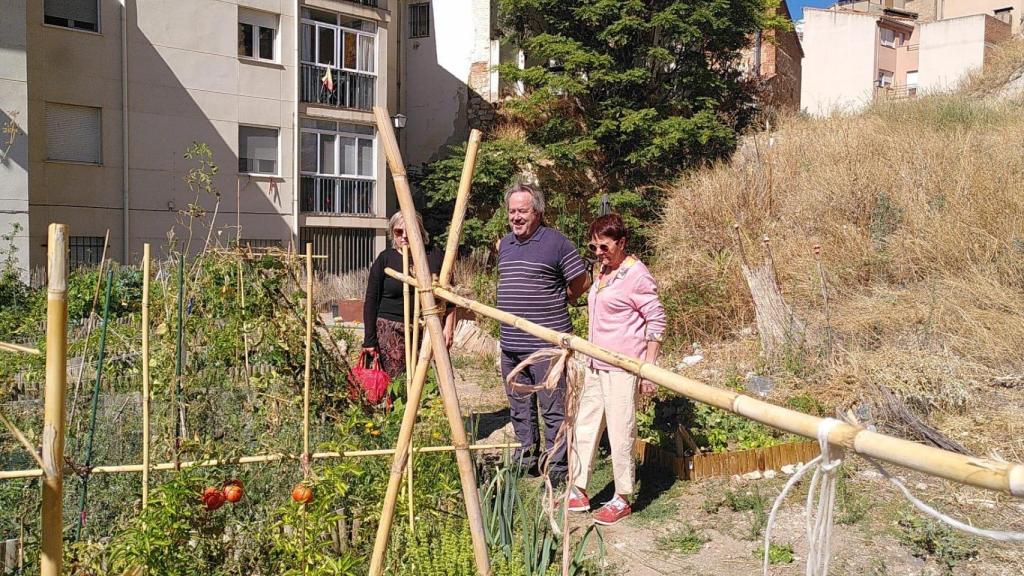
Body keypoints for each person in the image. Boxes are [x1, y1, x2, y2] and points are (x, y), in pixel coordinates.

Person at [567, 213, 665, 525]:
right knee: (585, 425)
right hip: (596, 364)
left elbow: (656, 320)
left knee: (621, 432)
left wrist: (648, 368)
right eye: (593, 248)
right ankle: (579, 489)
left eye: (604, 247)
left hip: (623, 367)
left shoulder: (636, 274)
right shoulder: (603, 270)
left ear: (621, 243)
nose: (598, 253)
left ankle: (622, 496)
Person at [497, 183, 590, 483]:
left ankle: (558, 468)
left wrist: (564, 298)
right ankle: (527, 458)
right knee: (519, 407)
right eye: (512, 211)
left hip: (545, 344)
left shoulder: (557, 243)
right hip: (511, 345)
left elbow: (580, 281)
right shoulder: (505, 245)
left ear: (537, 212)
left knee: (552, 408)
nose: (516, 217)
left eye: (522, 211)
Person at [362, 212, 455, 379]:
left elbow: (449, 295)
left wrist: (448, 327)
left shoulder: (433, 255)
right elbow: (371, 300)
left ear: (420, 232)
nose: (404, 236)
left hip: (427, 328)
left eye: (409, 231)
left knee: (431, 378)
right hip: (391, 330)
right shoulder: (385, 259)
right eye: (399, 232)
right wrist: (369, 339)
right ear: (392, 233)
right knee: (396, 382)